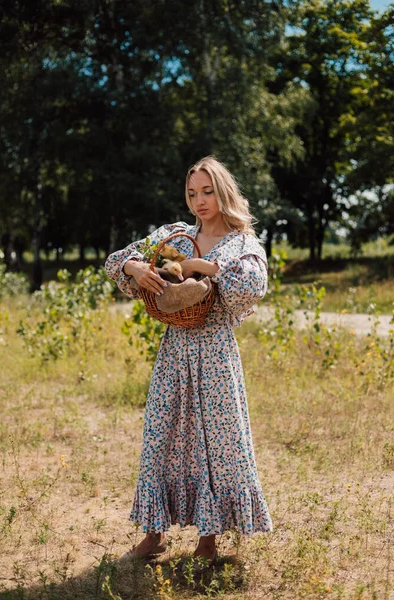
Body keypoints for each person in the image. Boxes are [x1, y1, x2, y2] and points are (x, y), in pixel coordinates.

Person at [104, 155, 273, 564]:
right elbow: (115, 260)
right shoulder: (177, 235)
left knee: (215, 444)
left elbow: (250, 285)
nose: (199, 200)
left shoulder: (241, 242)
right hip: (175, 348)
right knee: (161, 435)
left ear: (223, 191)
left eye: (207, 191)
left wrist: (200, 270)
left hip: (215, 351)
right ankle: (153, 533)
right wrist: (136, 267)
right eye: (193, 193)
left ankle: (208, 540)